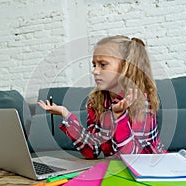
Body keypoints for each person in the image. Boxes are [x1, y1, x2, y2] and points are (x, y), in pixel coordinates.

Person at [38, 35, 167, 159]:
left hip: (150, 168)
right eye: (94, 65)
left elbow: (134, 157)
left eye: (103, 64)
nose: (94, 71)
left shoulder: (141, 101)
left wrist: (119, 117)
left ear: (125, 68)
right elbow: (91, 151)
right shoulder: (96, 102)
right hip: (116, 169)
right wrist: (66, 115)